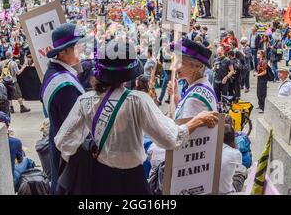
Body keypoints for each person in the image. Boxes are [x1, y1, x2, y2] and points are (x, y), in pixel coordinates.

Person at [54, 39, 219, 195]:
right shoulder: (138, 101)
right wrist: (196, 122)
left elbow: (63, 141)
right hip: (132, 180)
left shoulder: (85, 101)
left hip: (99, 178)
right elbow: (170, 139)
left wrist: (91, 148)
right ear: (129, 73)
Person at [41, 23, 87, 194]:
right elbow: (74, 130)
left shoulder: (54, 72)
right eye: (76, 46)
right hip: (69, 155)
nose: (81, 48)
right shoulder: (64, 85)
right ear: (62, 52)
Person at [167, 38, 218, 119]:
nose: (174, 67)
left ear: (197, 66)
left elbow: (184, 130)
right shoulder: (202, 85)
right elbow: (183, 113)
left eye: (180, 62)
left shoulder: (194, 100)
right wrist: (176, 94)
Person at [219, 120, 243, 194]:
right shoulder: (235, 153)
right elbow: (238, 165)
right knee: (243, 169)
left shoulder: (211, 149)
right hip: (226, 192)